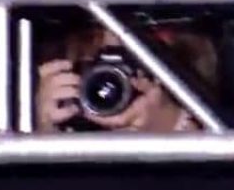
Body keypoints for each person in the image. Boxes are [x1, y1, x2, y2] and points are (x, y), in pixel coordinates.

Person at [34, 24, 217, 133]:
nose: (114, 75)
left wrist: (172, 124)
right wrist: (43, 129)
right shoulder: (66, 109)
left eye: (142, 35)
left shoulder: (217, 120)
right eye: (92, 36)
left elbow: (221, 178)